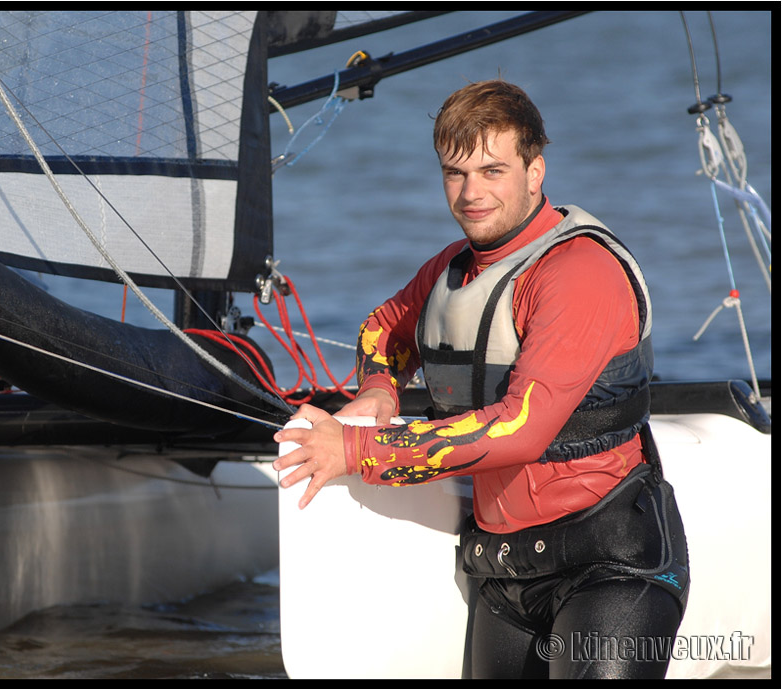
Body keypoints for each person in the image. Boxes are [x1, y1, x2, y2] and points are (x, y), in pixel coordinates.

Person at [272, 80, 688, 680]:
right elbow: (383, 328)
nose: (471, 194)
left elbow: (521, 428)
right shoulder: (450, 268)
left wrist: (358, 449)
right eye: (454, 173)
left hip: (609, 565)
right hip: (503, 570)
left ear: (535, 169)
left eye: (493, 171)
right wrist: (377, 390)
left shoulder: (578, 273)